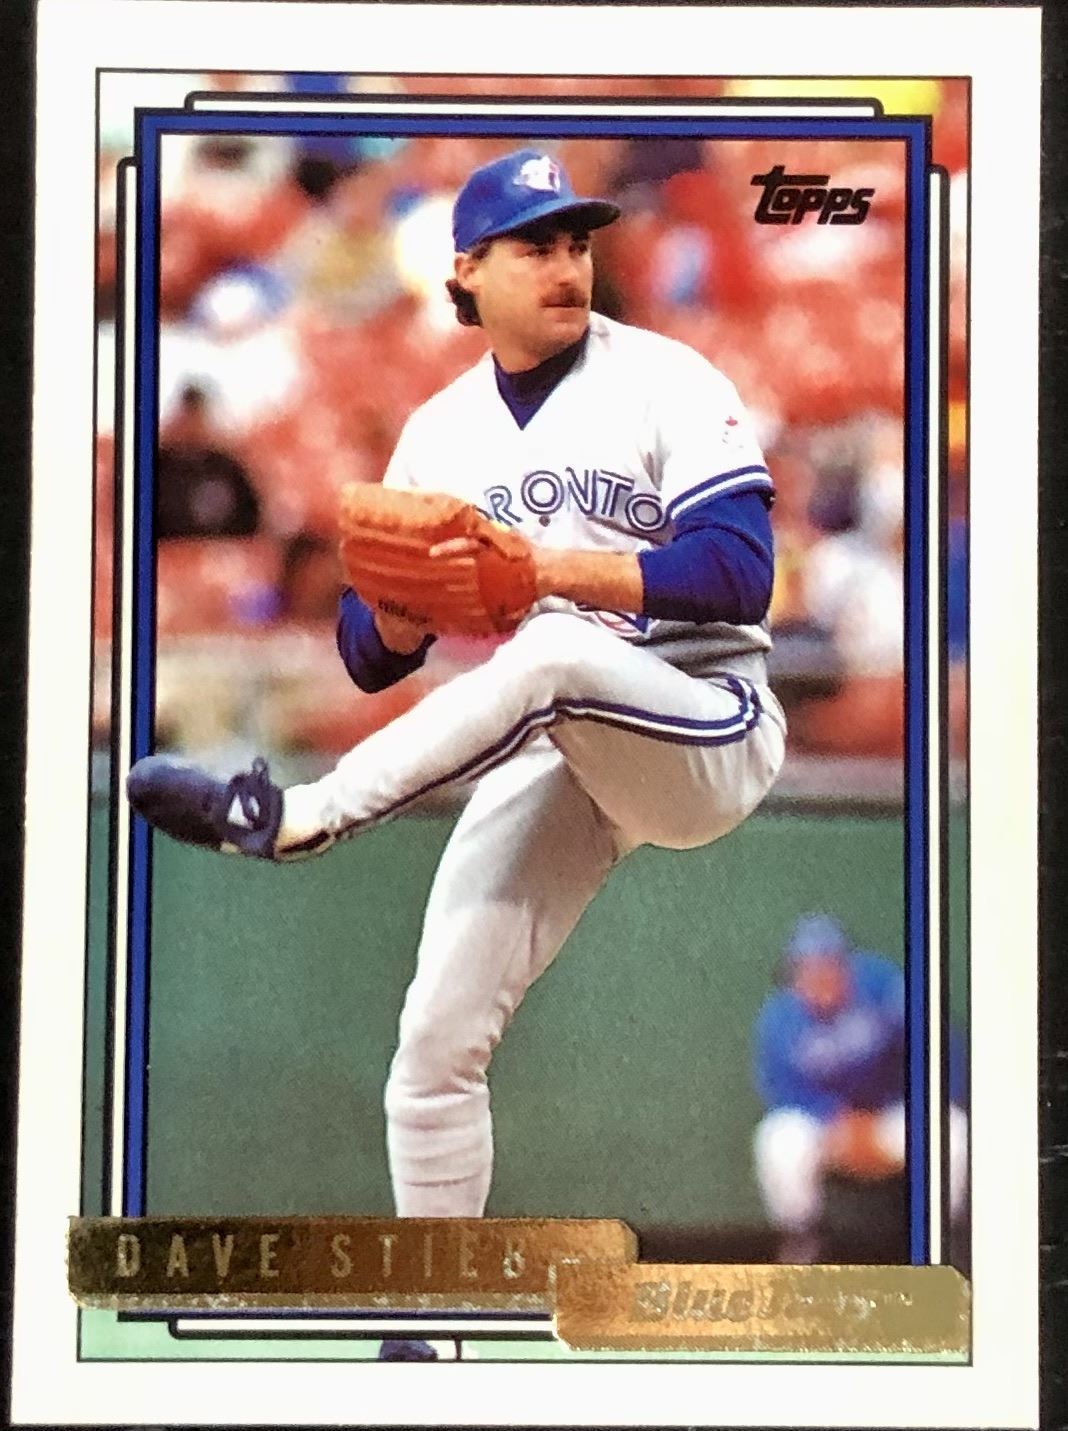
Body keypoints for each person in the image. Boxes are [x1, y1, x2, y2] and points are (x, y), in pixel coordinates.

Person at [129, 147, 787, 1224]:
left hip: (706, 716)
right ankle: (435, 1303)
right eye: (535, 248)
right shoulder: (441, 431)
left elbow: (740, 573)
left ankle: (295, 816)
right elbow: (367, 651)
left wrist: (541, 572)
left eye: (576, 244)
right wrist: (405, 607)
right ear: (468, 269)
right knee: (432, 1047)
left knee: (554, 647)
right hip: (564, 745)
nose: (566, 266)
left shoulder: (666, 379)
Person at [752, 914, 968, 1262]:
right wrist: (836, 1120)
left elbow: (939, 1051)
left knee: (950, 1130)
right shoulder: (780, 1018)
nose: (820, 978)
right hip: (829, 1125)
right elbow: (780, 1090)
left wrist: (894, 1114)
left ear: (847, 966)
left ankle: (947, 1239)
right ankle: (802, 1238)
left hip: (893, 1115)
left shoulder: (885, 989)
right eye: (808, 969)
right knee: (779, 1140)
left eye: (829, 966)